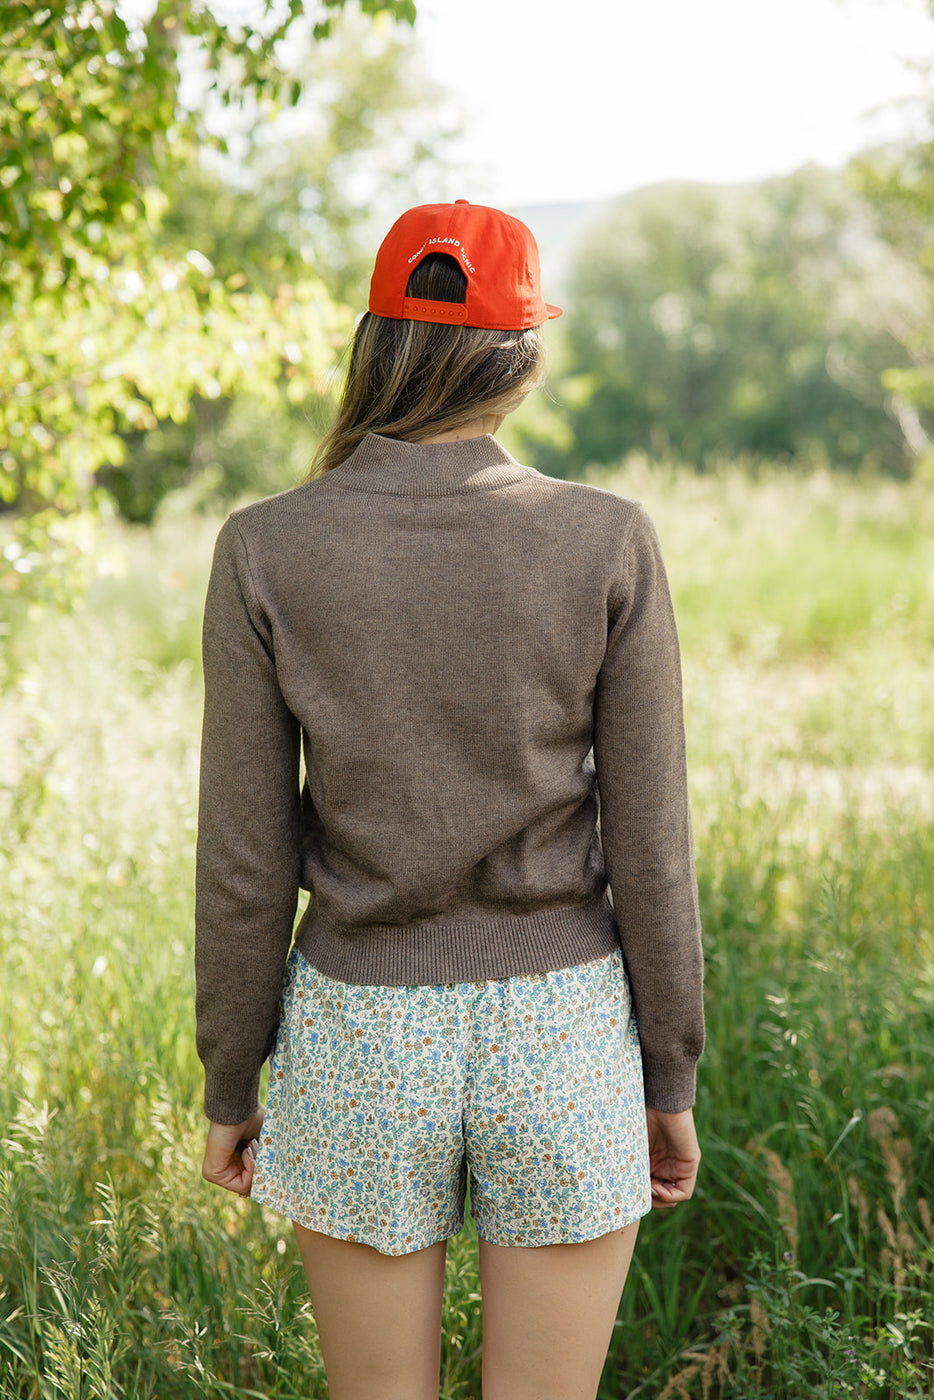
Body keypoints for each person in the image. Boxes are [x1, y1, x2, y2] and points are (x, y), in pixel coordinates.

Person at [196, 199, 704, 1400]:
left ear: (377, 343)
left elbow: (245, 857)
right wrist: (668, 1070)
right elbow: (652, 847)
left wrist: (230, 1076)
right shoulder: (605, 539)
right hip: (564, 1034)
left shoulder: (267, 545)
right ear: (522, 356)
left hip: (359, 1036)